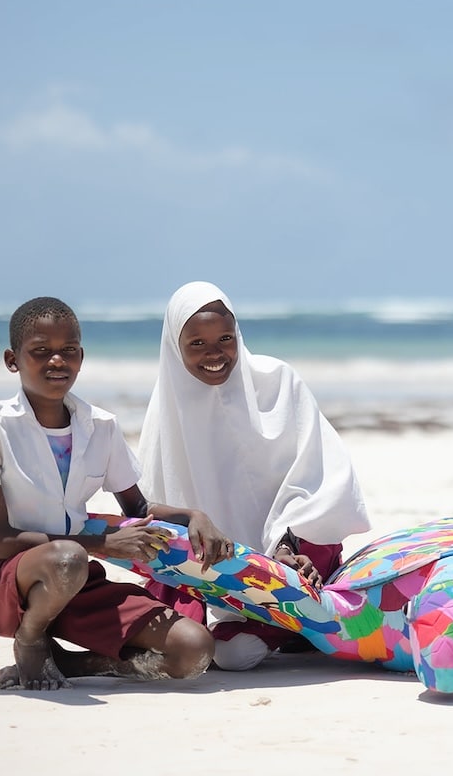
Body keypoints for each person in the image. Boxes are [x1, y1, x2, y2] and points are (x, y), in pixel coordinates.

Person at [0, 297, 232, 691]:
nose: (56, 361)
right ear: (12, 360)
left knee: (194, 649)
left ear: (81, 356)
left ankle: (68, 663)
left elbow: (137, 507)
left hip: (76, 582)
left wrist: (193, 516)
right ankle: (31, 642)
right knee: (68, 559)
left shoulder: (100, 426)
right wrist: (103, 544)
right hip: (4, 582)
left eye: (68, 351)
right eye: (40, 352)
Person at [138, 281, 371, 670]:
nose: (215, 354)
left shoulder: (278, 382)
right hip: (210, 563)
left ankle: (284, 622)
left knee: (237, 651)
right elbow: (152, 508)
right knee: (183, 632)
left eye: (225, 338)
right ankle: (290, 625)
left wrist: (284, 545)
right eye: (197, 343)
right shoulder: (166, 411)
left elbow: (320, 479)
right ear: (174, 349)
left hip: (292, 552)